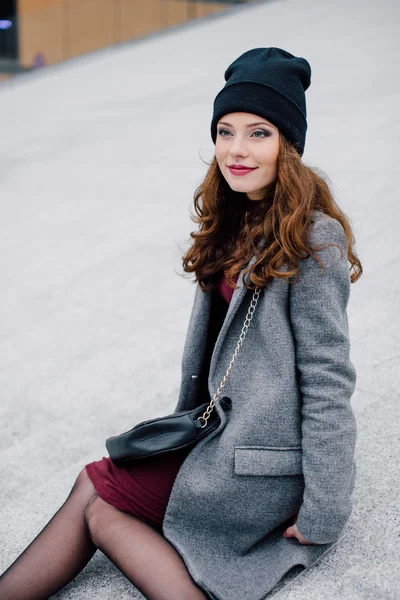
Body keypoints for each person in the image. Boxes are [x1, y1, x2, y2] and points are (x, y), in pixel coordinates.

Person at [0, 47, 363, 600]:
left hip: (260, 463)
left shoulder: (313, 241)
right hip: (218, 436)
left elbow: (328, 382)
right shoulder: (236, 216)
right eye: (225, 131)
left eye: (259, 133)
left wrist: (325, 511)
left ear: (288, 145)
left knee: (97, 494)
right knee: (96, 498)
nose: (237, 150)